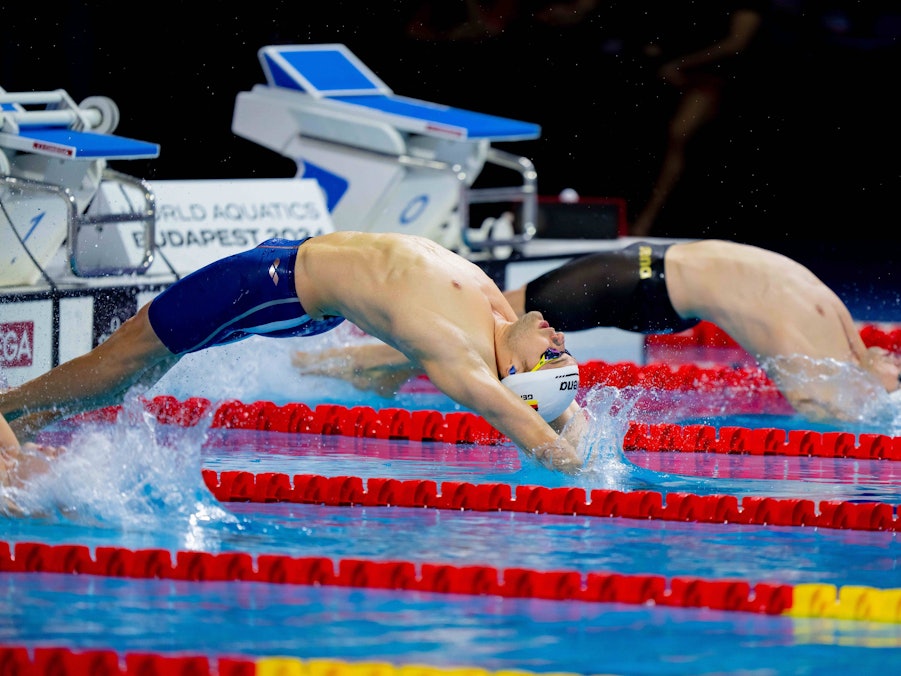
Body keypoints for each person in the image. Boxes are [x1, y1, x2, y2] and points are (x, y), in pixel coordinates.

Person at [0, 232, 584, 474]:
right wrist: (572, 412)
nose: (559, 340)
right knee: (138, 367)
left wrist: (580, 466)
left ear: (514, 371)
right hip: (288, 266)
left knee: (124, 357)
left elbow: (524, 427)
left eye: (553, 355)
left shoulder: (459, 354)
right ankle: (30, 421)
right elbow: (551, 411)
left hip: (270, 286)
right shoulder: (497, 317)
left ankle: (6, 407)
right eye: (562, 351)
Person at [294, 239, 901, 423]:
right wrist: (873, 415)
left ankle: (361, 367)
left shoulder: (834, 324)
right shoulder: (812, 326)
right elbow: (820, 409)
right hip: (623, 282)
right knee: (476, 338)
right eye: (894, 376)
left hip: (636, 279)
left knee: (476, 337)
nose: (893, 373)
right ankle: (329, 365)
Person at [628, 2, 764, 237]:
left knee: (679, 134)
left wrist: (681, 64)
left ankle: (646, 221)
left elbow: (737, 43)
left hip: (719, 80)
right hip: (679, 77)